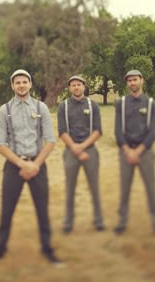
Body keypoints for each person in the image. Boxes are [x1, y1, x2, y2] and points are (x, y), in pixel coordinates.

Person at [0, 69, 62, 265]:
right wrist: (22, 164)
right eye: (17, 82)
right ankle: (0, 249)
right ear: (12, 86)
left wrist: (35, 165)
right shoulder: (5, 110)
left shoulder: (41, 107)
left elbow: (50, 141)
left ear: (30, 84)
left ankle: (48, 249)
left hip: (38, 165)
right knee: (7, 209)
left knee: (42, 209)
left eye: (24, 82)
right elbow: (0, 144)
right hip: (14, 166)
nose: (21, 85)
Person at [114, 69, 155, 235]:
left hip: (145, 153)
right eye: (129, 81)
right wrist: (128, 150)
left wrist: (139, 151)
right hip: (126, 152)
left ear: (141, 81)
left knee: (151, 188)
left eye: (135, 79)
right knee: (125, 188)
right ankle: (122, 222)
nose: (132, 83)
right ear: (127, 83)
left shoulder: (150, 103)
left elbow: (152, 132)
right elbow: (118, 130)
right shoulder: (121, 103)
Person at [57, 75, 104, 233]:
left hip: (90, 151)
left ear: (84, 86)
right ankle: (68, 223)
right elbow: (62, 132)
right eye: (73, 85)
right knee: (70, 188)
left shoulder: (93, 106)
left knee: (94, 187)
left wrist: (82, 147)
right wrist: (75, 148)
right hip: (70, 151)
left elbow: (98, 131)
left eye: (79, 84)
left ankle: (98, 221)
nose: (76, 87)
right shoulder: (63, 106)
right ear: (69, 88)